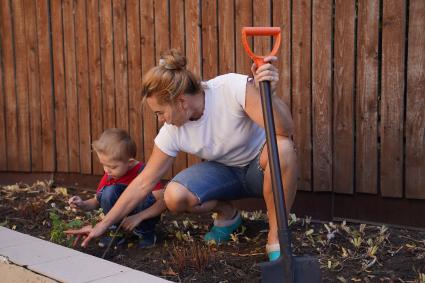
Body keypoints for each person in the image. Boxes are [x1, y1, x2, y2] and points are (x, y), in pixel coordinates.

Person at [66, 49, 298, 262]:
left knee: (284, 148)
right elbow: (143, 183)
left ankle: (276, 236)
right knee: (174, 196)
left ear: (181, 102)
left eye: (160, 112)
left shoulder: (231, 89)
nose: (160, 119)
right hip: (226, 173)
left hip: (261, 166)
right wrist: (102, 225)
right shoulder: (172, 131)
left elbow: (284, 129)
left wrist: (268, 94)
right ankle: (229, 215)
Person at [67, 128, 165, 248]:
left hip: (141, 215)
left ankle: (145, 233)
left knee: (145, 197)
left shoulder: (145, 173)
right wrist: (82, 204)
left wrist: (139, 217)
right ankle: (116, 232)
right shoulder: (110, 175)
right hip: (121, 218)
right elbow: (98, 201)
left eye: (112, 167)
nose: (106, 170)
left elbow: (162, 201)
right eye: (103, 165)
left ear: (129, 162)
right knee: (108, 192)